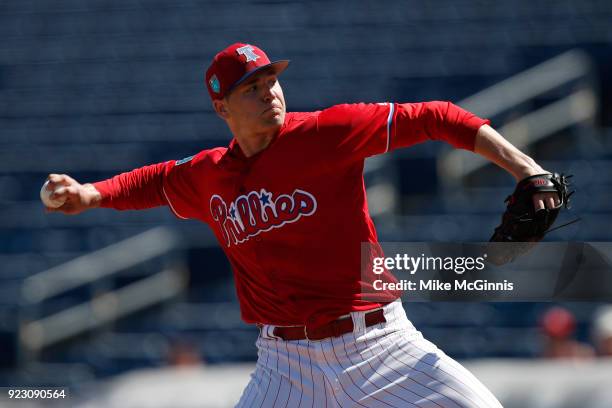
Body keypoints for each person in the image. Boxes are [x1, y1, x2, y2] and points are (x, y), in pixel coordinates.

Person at [44, 43, 561, 407]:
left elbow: (438, 115)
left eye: (271, 80)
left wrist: (528, 169)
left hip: (379, 348)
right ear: (221, 107)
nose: (269, 91)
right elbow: (153, 182)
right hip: (284, 368)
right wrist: (88, 195)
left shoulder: (326, 133)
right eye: (251, 88)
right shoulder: (208, 175)